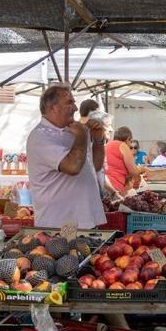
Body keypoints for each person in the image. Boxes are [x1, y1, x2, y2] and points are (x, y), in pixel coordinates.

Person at [25, 83, 106, 230]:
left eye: (74, 103)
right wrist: (82, 135)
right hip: (59, 225)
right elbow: (73, 167)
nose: (75, 108)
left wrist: (98, 140)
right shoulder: (40, 137)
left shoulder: (73, 130)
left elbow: (96, 166)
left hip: (86, 220)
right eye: (69, 103)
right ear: (52, 108)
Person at [104, 126, 143, 193]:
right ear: (128, 139)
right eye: (130, 141)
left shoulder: (107, 145)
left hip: (104, 185)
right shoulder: (123, 146)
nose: (130, 144)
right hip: (114, 188)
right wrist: (142, 168)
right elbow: (134, 172)